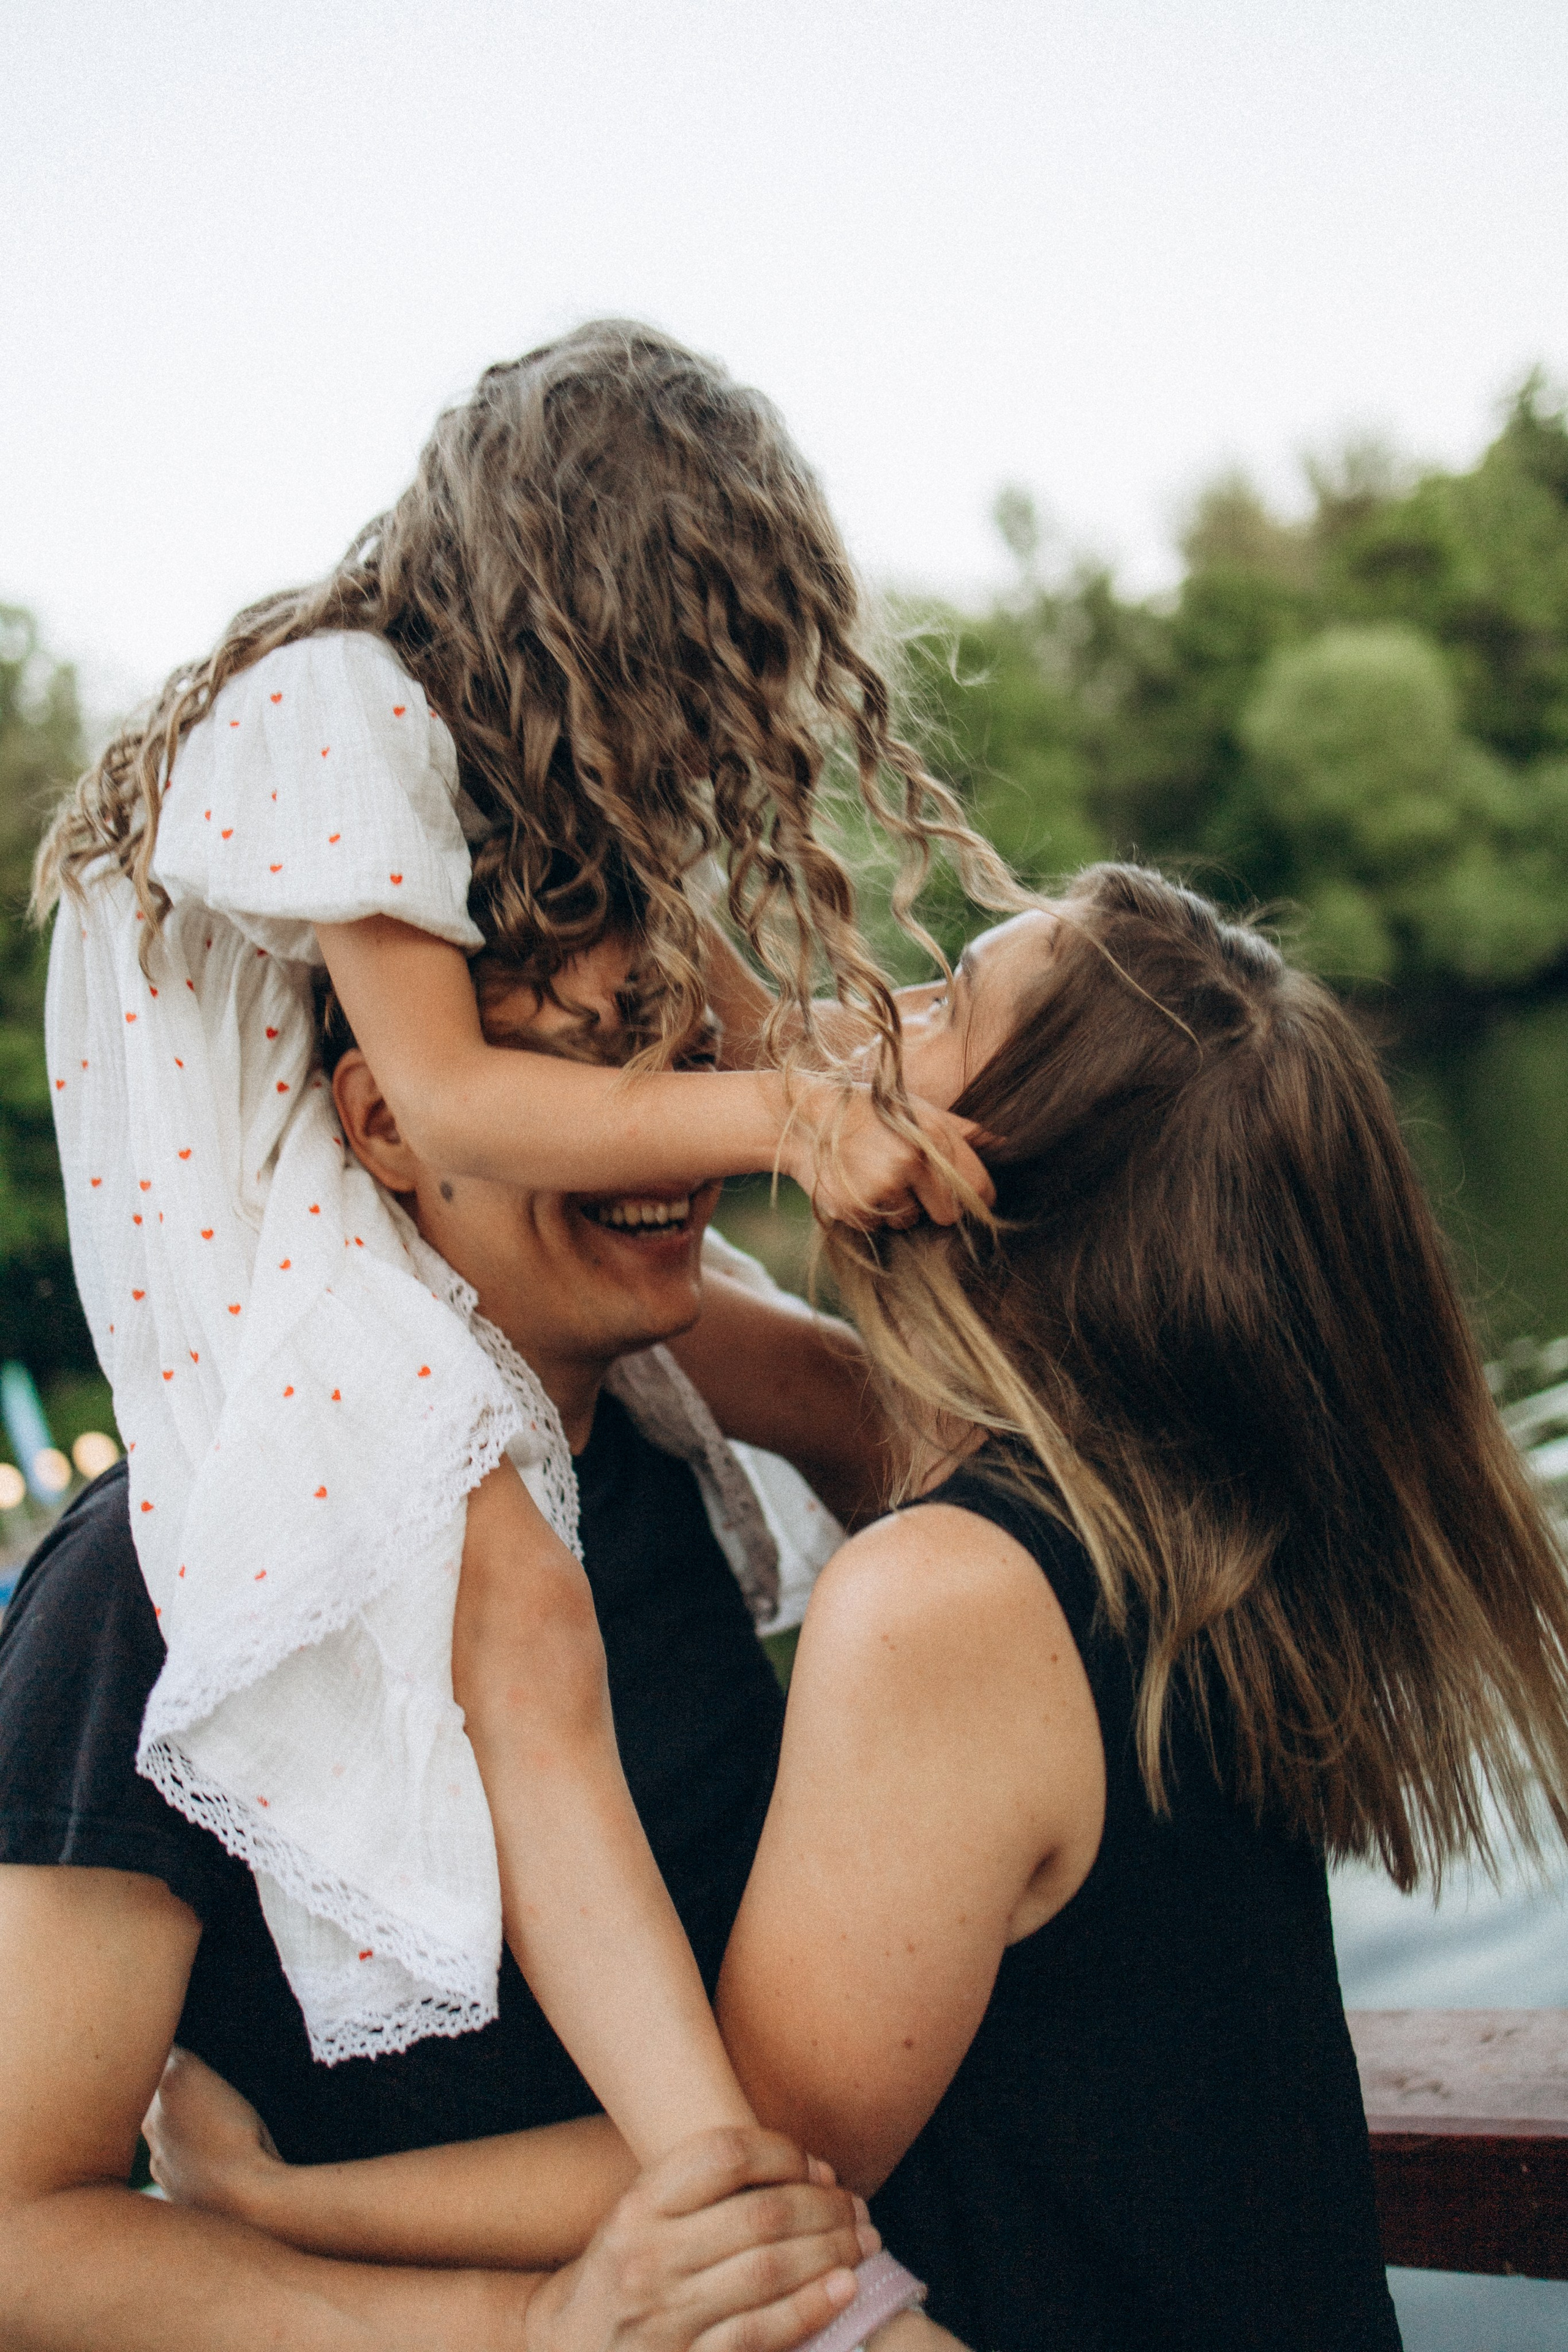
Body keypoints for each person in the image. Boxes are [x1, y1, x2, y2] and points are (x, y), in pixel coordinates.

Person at [167, 866, 1568, 2350]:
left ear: (994, 1166)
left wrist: (273, 2204)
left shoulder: (951, 1597)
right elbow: (611, 1299)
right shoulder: (1148, 1477)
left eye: (942, 998)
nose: (868, 1021)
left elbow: (765, 2162)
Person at [31, 320, 1015, 2179]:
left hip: (389, 1202)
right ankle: (719, 2177)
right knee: (520, 1625)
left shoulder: (526, 799)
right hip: (280, 1242)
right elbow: (460, 1100)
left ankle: (725, 2166)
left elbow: (782, 1030)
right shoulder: (339, 708)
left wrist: (991, 1056)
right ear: (565, 603)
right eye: (677, 661)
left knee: (802, 1390)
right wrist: (797, 1129)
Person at [0, 927, 958, 2352]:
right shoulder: (162, 1577)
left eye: (687, 1068)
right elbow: (23, 2234)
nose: (672, 1142)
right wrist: (534, 2327)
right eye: (589, 1080)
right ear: (386, 1122)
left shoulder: (658, 1437)